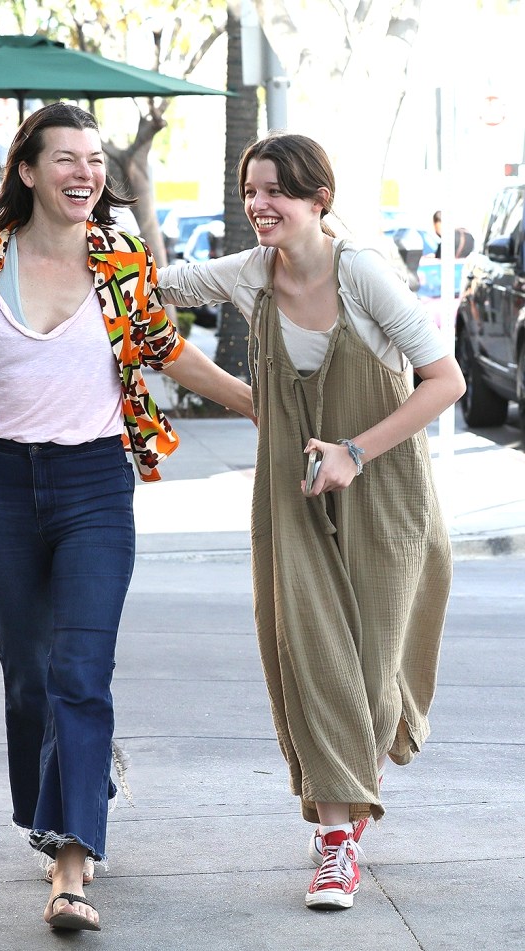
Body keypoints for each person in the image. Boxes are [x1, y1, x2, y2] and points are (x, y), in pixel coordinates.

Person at [0, 102, 253, 934]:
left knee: (79, 671)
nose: (87, 172)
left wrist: (249, 401)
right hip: (2, 487)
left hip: (95, 481)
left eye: (96, 159)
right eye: (67, 159)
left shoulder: (119, 256)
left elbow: (163, 345)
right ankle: (66, 795)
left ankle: (71, 862)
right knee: (30, 674)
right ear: (27, 172)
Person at [157, 132, 466, 911]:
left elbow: (446, 379)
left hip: (382, 484)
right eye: (252, 191)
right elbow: (157, 285)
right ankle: (336, 843)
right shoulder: (251, 274)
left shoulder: (360, 272)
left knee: (374, 676)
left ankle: (350, 795)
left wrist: (353, 453)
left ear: (318, 199)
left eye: (278, 192)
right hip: (293, 492)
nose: (261, 205)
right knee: (313, 654)